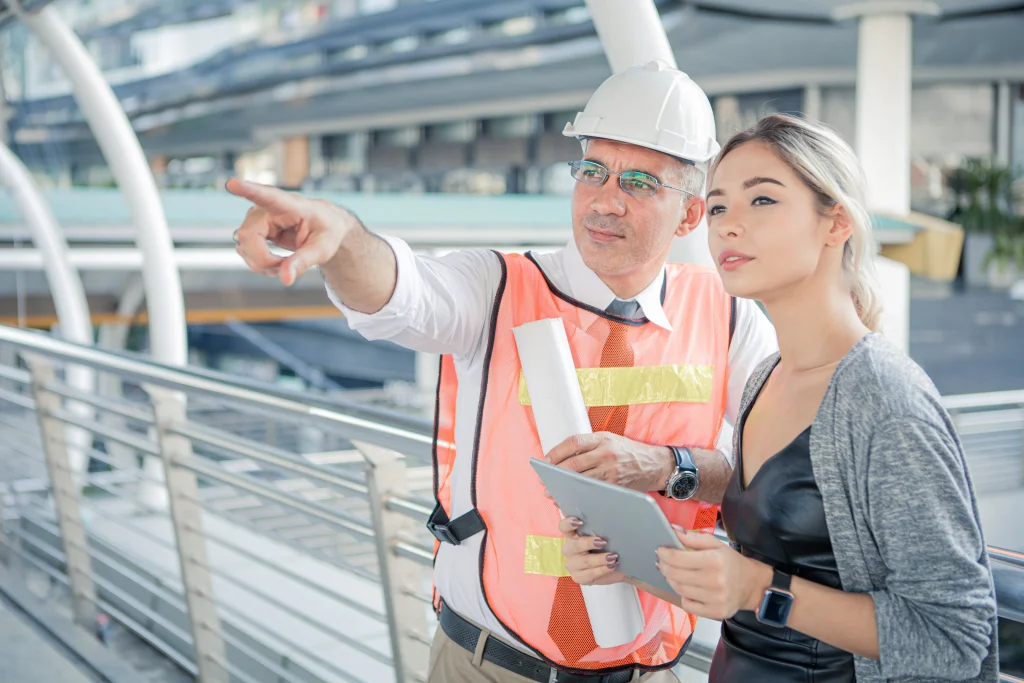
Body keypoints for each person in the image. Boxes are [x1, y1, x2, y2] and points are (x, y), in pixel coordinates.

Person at [227, 60, 778, 683]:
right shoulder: (497, 287)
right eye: (592, 171)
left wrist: (666, 467)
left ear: (689, 215)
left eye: (639, 183)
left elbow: (777, 474)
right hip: (486, 666)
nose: (605, 200)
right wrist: (344, 240)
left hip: (645, 671)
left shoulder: (729, 316)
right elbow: (401, 293)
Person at [560, 113, 999, 683]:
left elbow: (955, 639)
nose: (728, 227)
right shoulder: (765, 378)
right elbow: (758, 588)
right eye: (718, 208)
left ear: (835, 222)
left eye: (762, 200)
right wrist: (628, 565)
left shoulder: (883, 398)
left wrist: (760, 589)